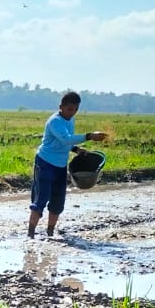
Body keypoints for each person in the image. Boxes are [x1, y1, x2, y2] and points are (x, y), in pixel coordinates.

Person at [30, 91, 106, 239]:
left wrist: (76, 149)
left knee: (58, 200)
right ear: (61, 107)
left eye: (76, 109)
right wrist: (89, 136)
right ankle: (30, 234)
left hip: (60, 165)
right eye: (70, 109)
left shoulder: (70, 121)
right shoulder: (55, 121)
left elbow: (64, 142)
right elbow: (65, 139)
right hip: (45, 163)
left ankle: (50, 233)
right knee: (41, 198)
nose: (73, 113)